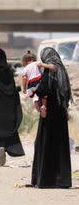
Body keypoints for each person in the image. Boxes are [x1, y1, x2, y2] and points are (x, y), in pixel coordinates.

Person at [31, 47, 72, 188]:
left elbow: (43, 89)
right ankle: (63, 180)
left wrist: (35, 94)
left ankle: (46, 180)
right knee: (60, 146)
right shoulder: (62, 72)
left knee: (46, 144)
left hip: (48, 113)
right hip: (60, 112)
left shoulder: (49, 71)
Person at [21, 51, 49, 117]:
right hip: (38, 81)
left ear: (25, 61)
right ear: (33, 59)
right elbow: (45, 66)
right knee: (44, 95)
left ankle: (37, 104)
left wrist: (24, 89)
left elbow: (24, 79)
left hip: (30, 85)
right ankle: (44, 106)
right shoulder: (37, 63)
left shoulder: (25, 69)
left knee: (35, 96)